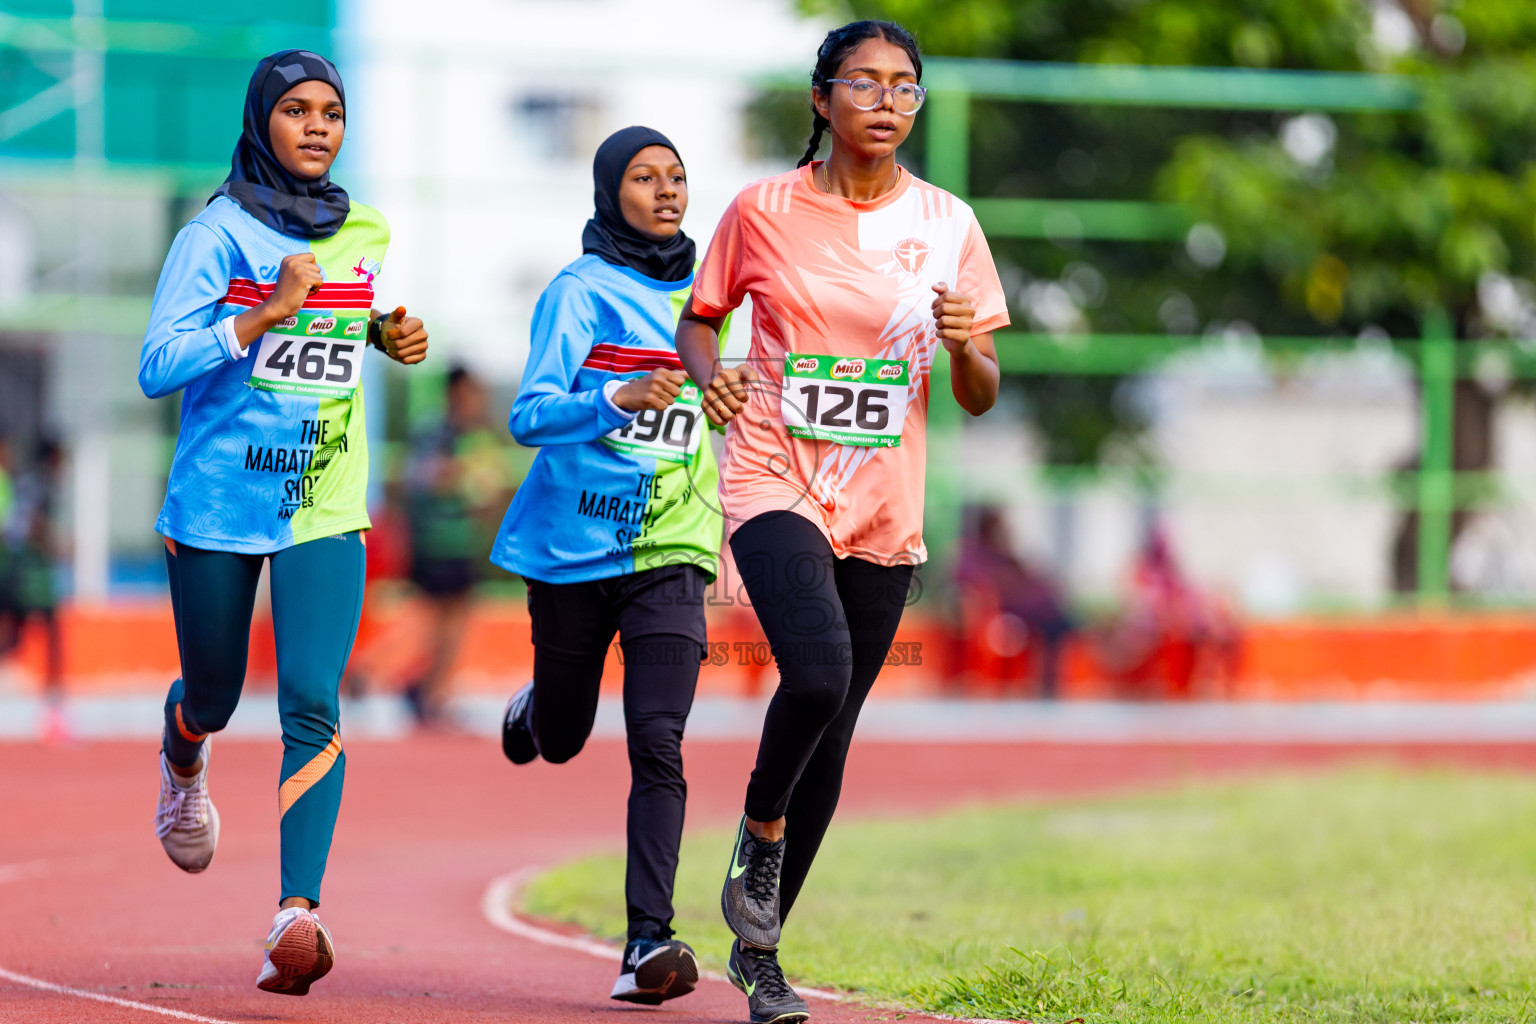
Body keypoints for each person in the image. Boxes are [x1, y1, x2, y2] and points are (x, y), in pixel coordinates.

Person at [675, 20, 1010, 1024]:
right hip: (773, 476)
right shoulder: (761, 210)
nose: (886, 102)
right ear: (822, 98)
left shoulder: (949, 222)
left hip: (883, 504)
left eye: (905, 87)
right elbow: (702, 318)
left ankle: (761, 951)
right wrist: (710, 378)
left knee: (835, 725)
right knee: (813, 673)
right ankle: (760, 827)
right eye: (864, 83)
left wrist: (964, 351)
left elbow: (984, 391)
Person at [137, 50, 428, 996]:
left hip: (326, 502)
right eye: (296, 111)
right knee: (218, 695)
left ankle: (295, 915)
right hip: (220, 504)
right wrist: (265, 312)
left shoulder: (368, 229)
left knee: (311, 697)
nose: (316, 127)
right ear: (262, 121)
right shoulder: (212, 235)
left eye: (332, 113)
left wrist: (383, 332)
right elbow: (158, 365)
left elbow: (342, 323)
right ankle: (185, 753)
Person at [491, 126, 724, 1006]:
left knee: (658, 738)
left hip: (672, 547)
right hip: (571, 548)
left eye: (677, 176)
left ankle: (646, 942)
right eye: (643, 177)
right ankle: (536, 711)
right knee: (564, 737)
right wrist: (613, 396)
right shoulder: (578, 293)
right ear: (607, 192)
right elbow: (529, 416)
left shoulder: (713, 298)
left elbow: (737, 389)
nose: (666, 191)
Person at [401, 366, 512, 726]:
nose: (474, 402)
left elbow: (486, 491)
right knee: (437, 623)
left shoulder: (476, 436)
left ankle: (431, 691)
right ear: (454, 394)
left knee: (453, 623)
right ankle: (423, 691)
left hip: (464, 542)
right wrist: (461, 473)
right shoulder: (435, 433)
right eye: (468, 394)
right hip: (435, 541)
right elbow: (422, 478)